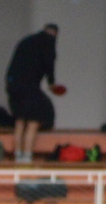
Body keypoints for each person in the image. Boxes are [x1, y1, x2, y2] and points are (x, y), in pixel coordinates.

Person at [5, 24, 63, 163]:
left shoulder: (26, 41)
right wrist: (51, 83)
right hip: (30, 86)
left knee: (20, 121)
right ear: (55, 34)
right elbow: (49, 64)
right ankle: (27, 156)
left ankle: (18, 155)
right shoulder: (48, 42)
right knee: (33, 121)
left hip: (13, 85)